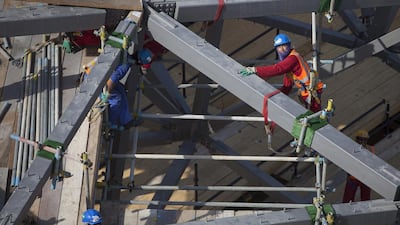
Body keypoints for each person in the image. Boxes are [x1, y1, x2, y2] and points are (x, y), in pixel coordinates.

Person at [239, 33, 324, 113]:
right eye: (279, 47)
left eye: (284, 45)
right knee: (312, 117)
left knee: (314, 119)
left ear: (289, 45)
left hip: (312, 92)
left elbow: (277, 69)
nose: (282, 49)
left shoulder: (292, 59)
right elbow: (287, 84)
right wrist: (279, 98)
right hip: (309, 91)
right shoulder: (290, 60)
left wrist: (255, 70)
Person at [342, 129, 375, 203]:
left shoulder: (370, 149)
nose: (362, 142)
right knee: (348, 200)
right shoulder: (352, 149)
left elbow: (373, 162)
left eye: (364, 140)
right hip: (354, 177)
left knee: (365, 199)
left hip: (365, 177)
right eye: (360, 139)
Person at [101, 63, 136, 130]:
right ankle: (111, 123)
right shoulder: (123, 67)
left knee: (121, 90)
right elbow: (110, 82)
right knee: (117, 99)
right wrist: (106, 94)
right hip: (98, 83)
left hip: (103, 79)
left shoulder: (125, 63)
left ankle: (126, 120)